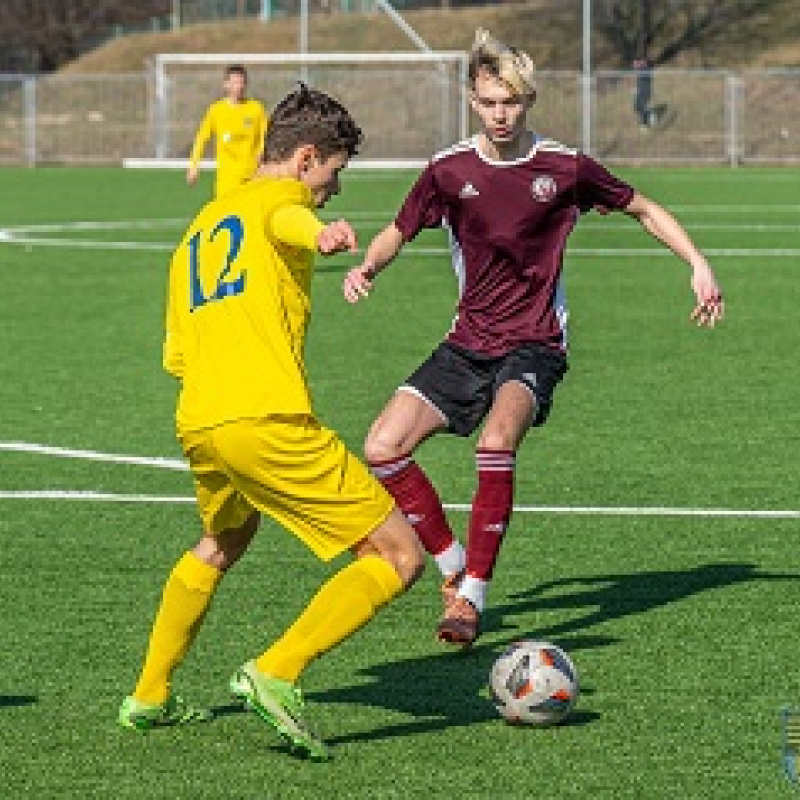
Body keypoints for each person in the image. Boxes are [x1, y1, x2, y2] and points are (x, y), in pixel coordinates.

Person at [342, 29, 724, 647]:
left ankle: (472, 598)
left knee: (496, 439)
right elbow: (397, 229)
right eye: (491, 101)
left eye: (512, 102)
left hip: (535, 344)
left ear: (529, 102)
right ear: (472, 99)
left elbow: (644, 209)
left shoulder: (564, 167)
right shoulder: (447, 170)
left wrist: (697, 263)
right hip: (467, 341)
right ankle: (450, 567)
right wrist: (368, 267)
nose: (501, 114)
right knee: (383, 446)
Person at [118, 84, 425, 761]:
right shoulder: (282, 203)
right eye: (333, 173)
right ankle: (278, 669)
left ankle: (148, 694)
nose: (333, 190)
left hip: (200, 420)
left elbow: (175, 353)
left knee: (224, 538)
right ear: (305, 157)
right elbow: (289, 220)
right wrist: (324, 235)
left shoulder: (196, 231)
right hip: (266, 415)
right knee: (399, 556)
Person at [186, 64, 267, 198]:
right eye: (235, 82)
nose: (239, 86)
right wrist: (194, 166)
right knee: (227, 217)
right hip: (227, 180)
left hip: (252, 177)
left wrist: (263, 157)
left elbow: (267, 137)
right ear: (226, 85)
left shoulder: (256, 109)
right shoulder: (216, 110)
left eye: (242, 82)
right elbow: (202, 139)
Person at [633, 57, 654, 129]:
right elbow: (638, 80)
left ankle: (644, 124)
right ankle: (650, 113)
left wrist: (638, 66)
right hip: (638, 91)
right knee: (636, 107)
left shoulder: (647, 70)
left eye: (642, 62)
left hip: (645, 91)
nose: (635, 65)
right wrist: (635, 89)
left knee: (643, 107)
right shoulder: (639, 70)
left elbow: (642, 74)